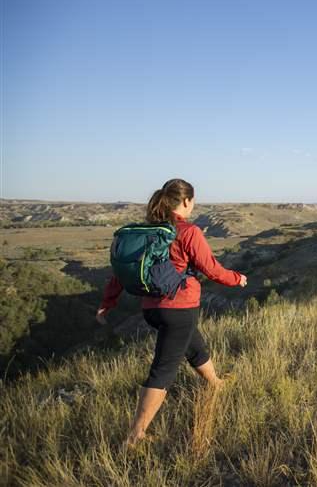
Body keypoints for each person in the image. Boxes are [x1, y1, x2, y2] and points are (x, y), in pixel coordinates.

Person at [96, 178, 248, 448]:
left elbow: (121, 272)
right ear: (187, 201)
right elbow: (211, 268)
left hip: (152, 309)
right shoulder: (188, 231)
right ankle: (135, 436)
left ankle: (215, 384)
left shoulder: (150, 232)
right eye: (193, 201)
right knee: (163, 370)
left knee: (194, 345)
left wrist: (109, 301)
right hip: (179, 308)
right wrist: (237, 279)